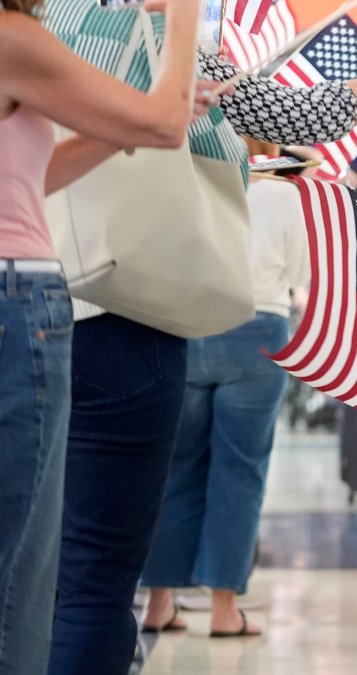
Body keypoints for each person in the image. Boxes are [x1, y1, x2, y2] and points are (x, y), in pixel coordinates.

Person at [41, 0, 357, 671]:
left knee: (37, 564)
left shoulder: (39, 23)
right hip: (134, 311)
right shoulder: (171, 35)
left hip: (35, 298)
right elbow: (301, 117)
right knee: (99, 571)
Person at [0, 0, 202, 670]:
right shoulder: (12, 38)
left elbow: (36, 177)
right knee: (22, 579)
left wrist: (123, 128)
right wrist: (184, 15)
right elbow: (168, 122)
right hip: (17, 305)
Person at [138, 138, 310, 638]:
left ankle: (158, 602)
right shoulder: (285, 194)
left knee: (176, 468)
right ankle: (222, 609)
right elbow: (299, 273)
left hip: (190, 325)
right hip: (258, 331)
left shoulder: (192, 174)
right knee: (241, 471)